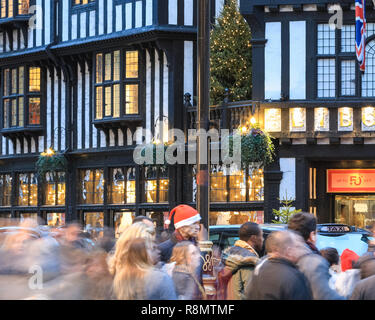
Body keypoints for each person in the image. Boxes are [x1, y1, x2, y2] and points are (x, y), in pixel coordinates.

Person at [288, 212, 345, 300]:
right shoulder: (314, 263)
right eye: (316, 233)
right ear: (312, 235)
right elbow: (327, 296)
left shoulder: (278, 259)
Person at [245, 230, 312, 300]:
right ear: (288, 251)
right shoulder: (293, 277)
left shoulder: (260, 268)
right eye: (297, 247)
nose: (302, 250)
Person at [111, 238, 177, 300]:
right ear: (142, 253)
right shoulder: (160, 278)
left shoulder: (119, 277)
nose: (159, 251)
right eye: (153, 249)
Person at [219, 222, 263, 300]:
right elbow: (250, 294)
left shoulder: (229, 254)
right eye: (261, 236)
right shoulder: (249, 260)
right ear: (253, 238)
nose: (263, 239)